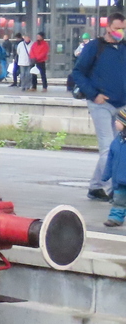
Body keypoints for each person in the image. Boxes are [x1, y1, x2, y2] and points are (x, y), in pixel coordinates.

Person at [69, 11, 126, 202]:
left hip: (121, 106)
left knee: (117, 148)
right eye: (117, 28)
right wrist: (94, 94)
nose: (120, 32)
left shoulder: (124, 48)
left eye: (123, 28)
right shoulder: (95, 47)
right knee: (108, 148)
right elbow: (78, 72)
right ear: (108, 27)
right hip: (100, 104)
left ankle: (96, 187)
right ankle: (114, 190)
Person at [103, 106, 126, 227]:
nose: (116, 122)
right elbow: (110, 159)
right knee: (118, 200)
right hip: (119, 181)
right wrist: (106, 175)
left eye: (119, 121)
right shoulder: (117, 141)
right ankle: (115, 218)